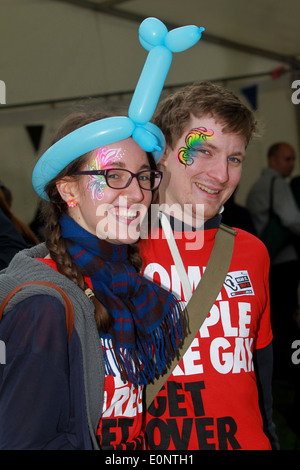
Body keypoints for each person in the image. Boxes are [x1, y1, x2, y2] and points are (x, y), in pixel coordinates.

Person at [0, 111, 185, 450]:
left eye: (144, 177)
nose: (136, 194)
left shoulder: (125, 285)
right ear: (69, 189)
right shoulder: (44, 306)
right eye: (114, 175)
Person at [139, 81, 279, 450]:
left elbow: (260, 379)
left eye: (234, 159)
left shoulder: (252, 253)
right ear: (163, 152)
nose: (221, 175)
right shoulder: (116, 251)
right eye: (203, 151)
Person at [247, 143, 300, 382]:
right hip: (284, 260)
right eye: (287, 159)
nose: (292, 164)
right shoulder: (277, 184)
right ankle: (289, 369)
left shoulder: (256, 187)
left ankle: (276, 369)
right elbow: (292, 219)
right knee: (289, 316)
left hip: (265, 260)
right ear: (273, 160)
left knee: (273, 317)